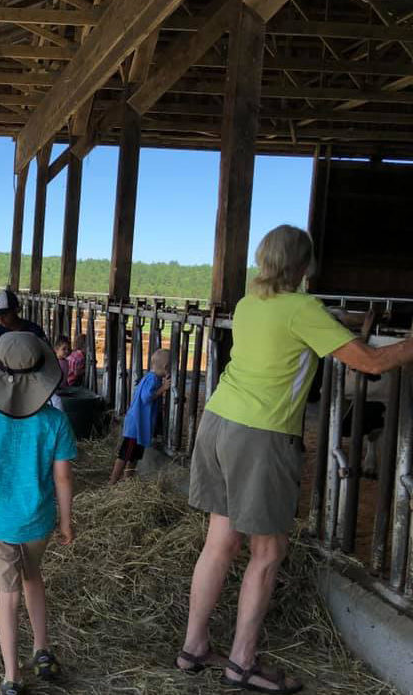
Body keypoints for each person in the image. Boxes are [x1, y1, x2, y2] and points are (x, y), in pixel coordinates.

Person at [177, 225, 413, 693]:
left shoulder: (249, 304)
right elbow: (370, 363)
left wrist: (337, 320)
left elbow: (297, 329)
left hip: (218, 421)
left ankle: (195, 646)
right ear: (304, 267)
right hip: (261, 435)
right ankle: (242, 663)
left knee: (220, 542)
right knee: (267, 551)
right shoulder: (304, 309)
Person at [0, 332, 77, 695]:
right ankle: (42, 650)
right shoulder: (55, 421)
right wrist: (65, 521)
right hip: (39, 522)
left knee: (7, 596)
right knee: (33, 578)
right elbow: (62, 477)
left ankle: (12, 676)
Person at [109, 348, 171, 484]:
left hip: (138, 425)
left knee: (134, 455)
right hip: (136, 426)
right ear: (166, 368)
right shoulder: (153, 380)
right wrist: (163, 389)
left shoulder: (150, 377)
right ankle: (113, 482)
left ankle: (128, 480)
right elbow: (146, 397)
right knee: (125, 454)